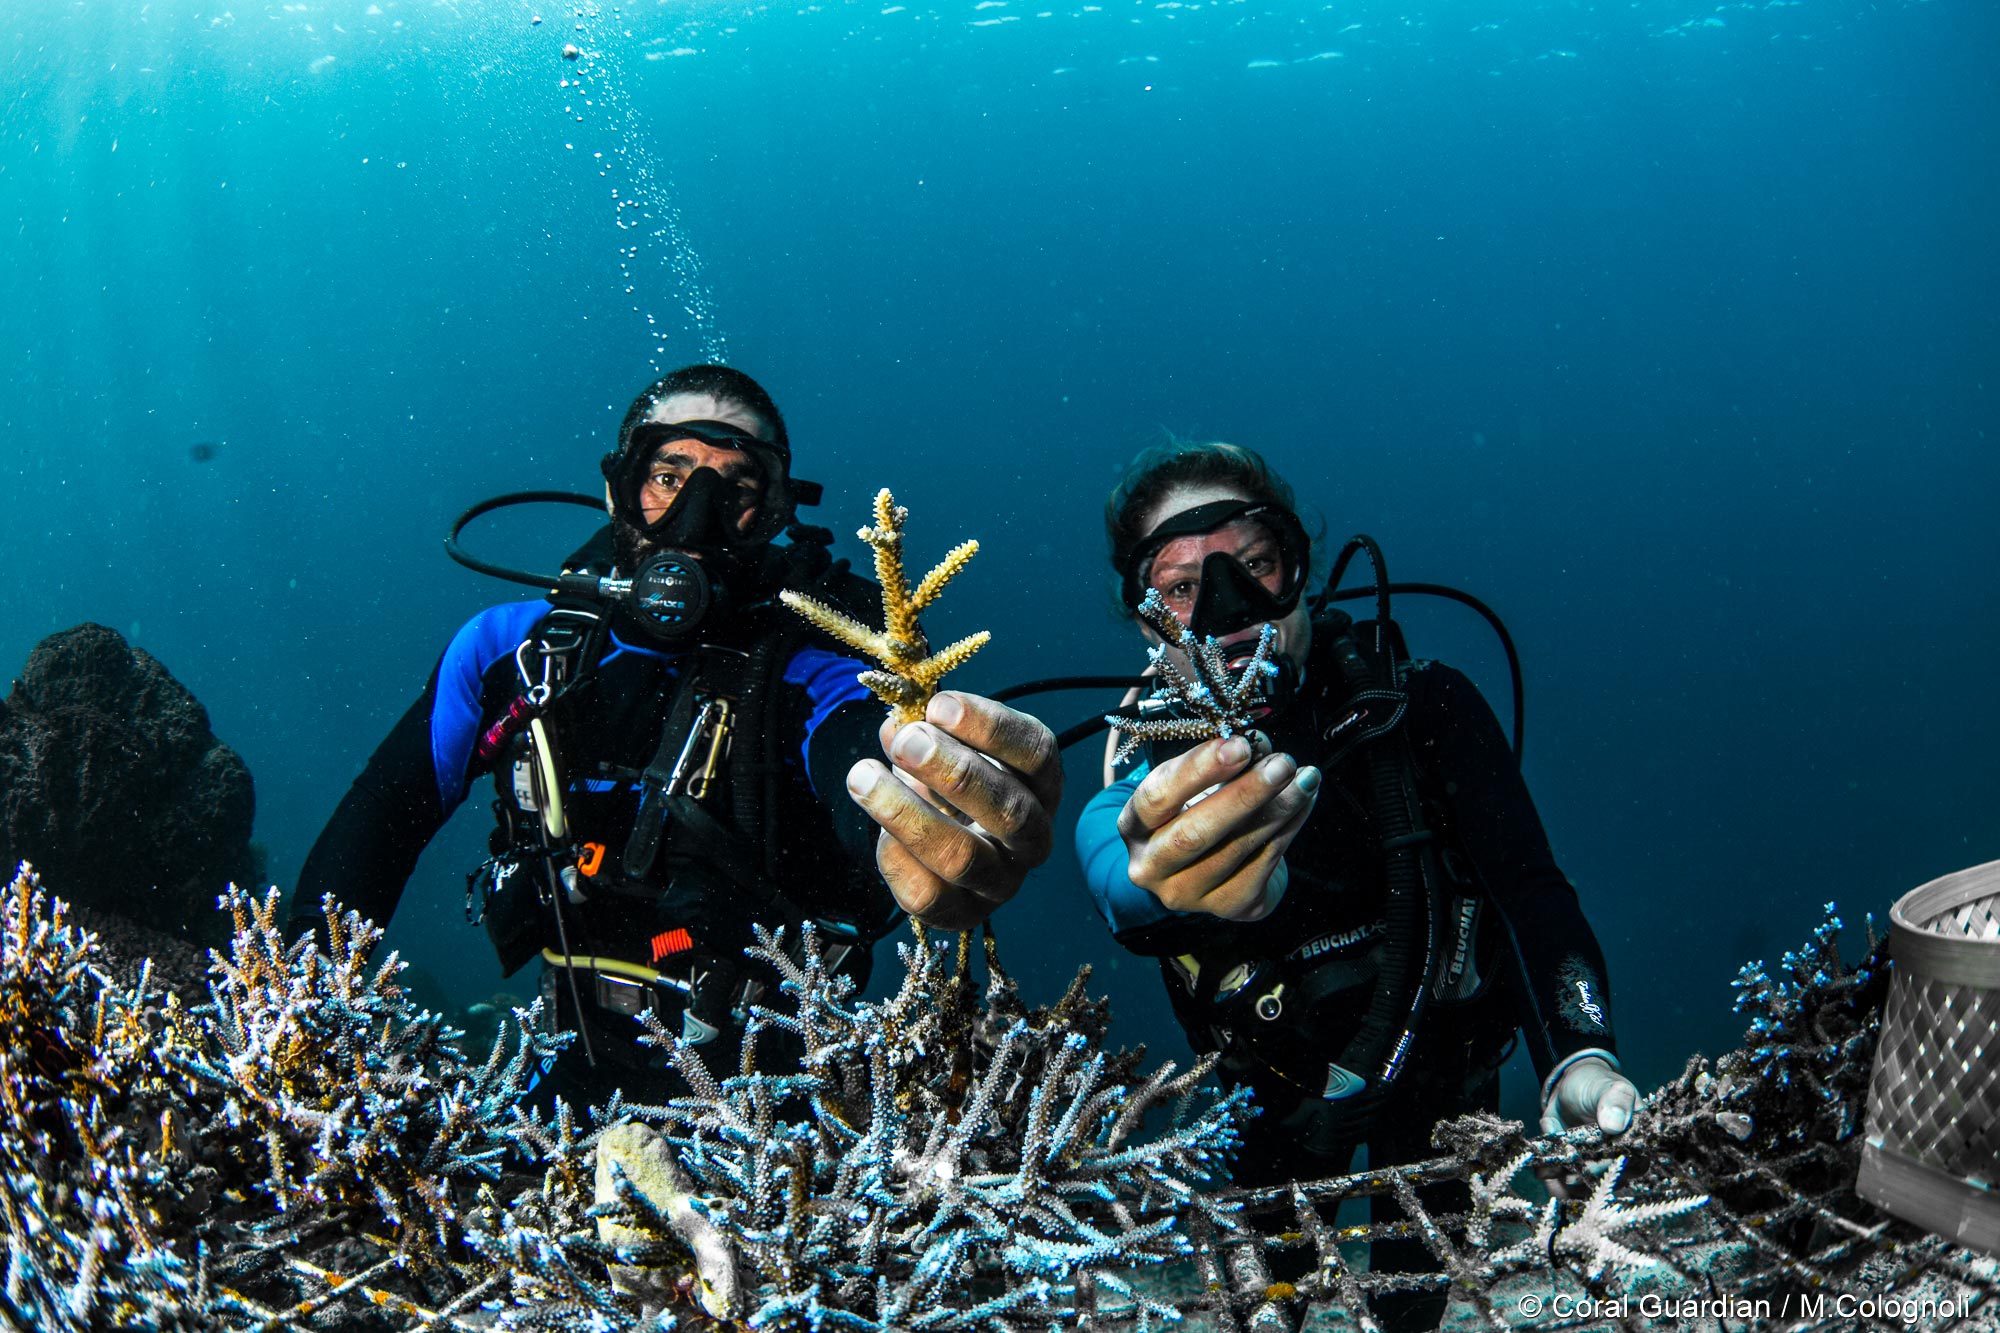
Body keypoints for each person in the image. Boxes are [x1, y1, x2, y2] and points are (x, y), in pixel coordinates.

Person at [293, 364, 1060, 1107]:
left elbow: (858, 749)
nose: (697, 519)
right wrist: (295, 1029)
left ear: (779, 514)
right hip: (567, 1073)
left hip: (770, 1114)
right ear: (616, 490)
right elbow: (379, 826)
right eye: (668, 476)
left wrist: (924, 812)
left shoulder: (809, 670)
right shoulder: (510, 651)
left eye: (739, 491)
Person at [1074, 440, 1636, 1331]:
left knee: (1411, 1310)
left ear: (1298, 570)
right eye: (1181, 587)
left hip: (1443, 1088)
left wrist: (1579, 1050)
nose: (1226, 609)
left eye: (1253, 565)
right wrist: (1167, 875)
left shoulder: (1426, 709)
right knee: (1265, 1313)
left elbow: (1531, 889)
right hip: (1276, 1109)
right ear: (1148, 620)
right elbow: (1119, 868)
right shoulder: (1142, 773)